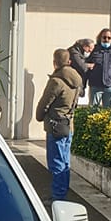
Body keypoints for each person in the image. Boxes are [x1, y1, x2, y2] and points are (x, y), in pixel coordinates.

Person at [35, 48, 84, 201]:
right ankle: (63, 192)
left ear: (54, 62)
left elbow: (45, 102)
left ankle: (58, 196)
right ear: (69, 62)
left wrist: (39, 116)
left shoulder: (56, 81)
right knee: (65, 161)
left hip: (56, 125)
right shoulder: (77, 80)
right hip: (68, 124)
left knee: (56, 162)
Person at [86, 28, 111, 107]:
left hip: (110, 86)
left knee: (108, 112)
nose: (106, 39)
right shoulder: (94, 49)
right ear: (100, 38)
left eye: (109, 38)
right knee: (92, 110)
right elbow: (85, 63)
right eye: (104, 37)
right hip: (95, 86)